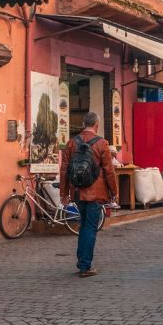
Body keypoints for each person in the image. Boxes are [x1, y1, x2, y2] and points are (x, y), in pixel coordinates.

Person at [59, 112, 118, 278]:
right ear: (97, 125)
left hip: (77, 192)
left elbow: (64, 170)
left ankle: (81, 260)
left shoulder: (71, 143)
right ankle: (85, 265)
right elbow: (109, 171)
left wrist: (63, 193)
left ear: (83, 124)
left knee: (84, 225)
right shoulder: (102, 143)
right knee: (90, 228)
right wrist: (114, 191)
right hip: (95, 193)